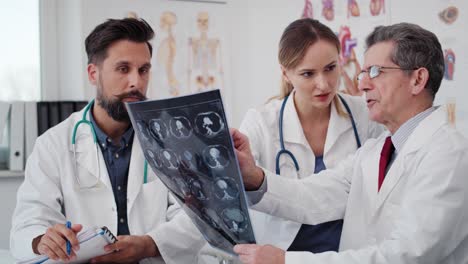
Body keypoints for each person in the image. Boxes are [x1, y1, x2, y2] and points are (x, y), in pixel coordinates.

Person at [232, 22, 468, 264]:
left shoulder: (449, 155)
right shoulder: (377, 150)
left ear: (417, 80)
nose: (363, 84)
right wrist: (255, 178)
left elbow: (407, 255)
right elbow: (313, 195)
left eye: (376, 71)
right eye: (363, 73)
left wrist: (287, 261)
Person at [10, 18, 204, 263]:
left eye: (143, 70)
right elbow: (29, 222)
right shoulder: (53, 145)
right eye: (123, 69)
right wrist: (42, 240)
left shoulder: (174, 139)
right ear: (93, 73)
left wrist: (149, 244)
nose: (136, 82)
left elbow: (196, 218)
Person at [239, 18, 383, 254]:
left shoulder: (363, 114)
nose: (324, 84)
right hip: (284, 253)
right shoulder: (261, 122)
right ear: (286, 74)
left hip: (350, 253)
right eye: (308, 74)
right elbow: (236, 188)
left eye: (330, 68)